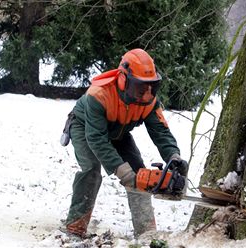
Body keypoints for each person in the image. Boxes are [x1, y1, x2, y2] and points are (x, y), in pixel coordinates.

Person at [61, 48, 188, 238]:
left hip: (119, 130)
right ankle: (75, 226)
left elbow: (160, 131)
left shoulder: (148, 100)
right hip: (84, 126)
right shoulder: (99, 94)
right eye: (140, 87)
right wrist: (123, 172)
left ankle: (146, 230)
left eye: (151, 86)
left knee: (140, 173)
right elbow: (96, 138)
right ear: (124, 79)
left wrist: (174, 157)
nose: (146, 93)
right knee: (91, 170)